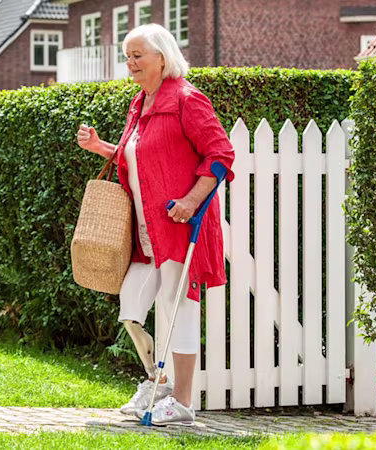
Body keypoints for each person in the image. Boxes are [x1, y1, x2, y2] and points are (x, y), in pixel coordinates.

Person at [76, 24, 234, 425]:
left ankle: (181, 402)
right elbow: (140, 161)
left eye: (137, 55)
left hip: (179, 226)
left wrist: (191, 200)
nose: (130, 63)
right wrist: (102, 148)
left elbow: (220, 153)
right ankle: (157, 380)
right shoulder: (139, 104)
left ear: (162, 57)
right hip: (146, 232)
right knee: (131, 306)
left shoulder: (187, 99)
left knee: (176, 308)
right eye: (127, 56)